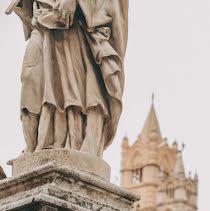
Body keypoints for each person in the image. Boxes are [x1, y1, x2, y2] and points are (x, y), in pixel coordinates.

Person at [9, 0, 128, 156]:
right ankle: (35, 145)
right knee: (30, 78)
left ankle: (70, 142)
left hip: (76, 21)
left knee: (81, 88)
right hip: (41, 17)